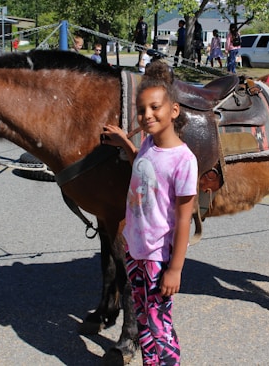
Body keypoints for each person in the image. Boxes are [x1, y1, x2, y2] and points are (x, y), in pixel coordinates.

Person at [100, 60, 197, 365]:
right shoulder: (147, 145)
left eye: (155, 107)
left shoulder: (183, 160)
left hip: (158, 257)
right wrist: (125, 142)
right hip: (135, 251)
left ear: (174, 111)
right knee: (143, 320)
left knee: (159, 325)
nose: (147, 115)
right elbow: (141, 167)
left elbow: (183, 220)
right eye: (141, 110)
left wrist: (175, 269)